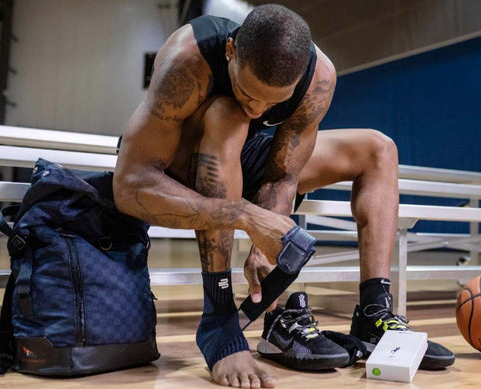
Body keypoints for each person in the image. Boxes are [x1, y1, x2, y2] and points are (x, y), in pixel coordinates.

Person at [113, 5, 452, 388]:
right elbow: (129, 185)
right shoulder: (189, 57)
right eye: (248, 92)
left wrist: (266, 241)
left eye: (272, 104)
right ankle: (219, 318)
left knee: (379, 149)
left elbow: (283, 174)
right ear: (230, 51)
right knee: (229, 114)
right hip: (174, 169)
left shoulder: (318, 76)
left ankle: (374, 315)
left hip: (242, 157)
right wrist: (248, 217)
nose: (257, 108)